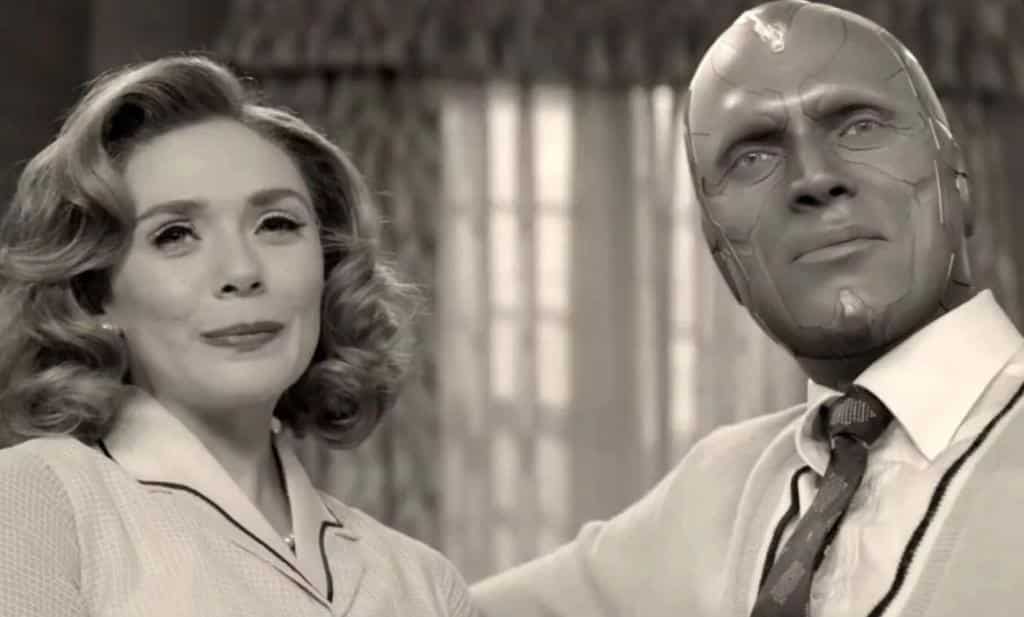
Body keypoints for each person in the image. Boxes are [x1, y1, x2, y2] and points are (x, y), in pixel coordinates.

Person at [471, 1, 1024, 615]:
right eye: (752, 157)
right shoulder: (714, 491)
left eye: (859, 126)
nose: (813, 177)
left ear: (960, 180)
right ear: (720, 255)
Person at [0, 54, 475, 616]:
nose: (243, 271)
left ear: (326, 267)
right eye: (175, 234)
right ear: (94, 291)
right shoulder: (36, 501)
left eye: (277, 224)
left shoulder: (425, 583)